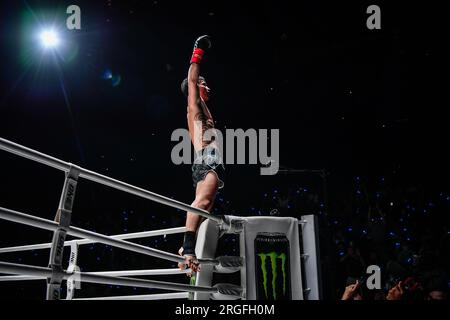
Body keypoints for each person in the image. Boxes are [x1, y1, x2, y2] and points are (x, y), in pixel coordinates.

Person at [177, 35, 225, 275]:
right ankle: (187, 249)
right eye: (204, 84)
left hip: (207, 159)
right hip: (207, 158)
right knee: (202, 204)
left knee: (205, 209)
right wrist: (198, 52)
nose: (208, 86)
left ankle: (186, 248)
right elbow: (193, 79)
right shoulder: (194, 105)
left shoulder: (205, 109)